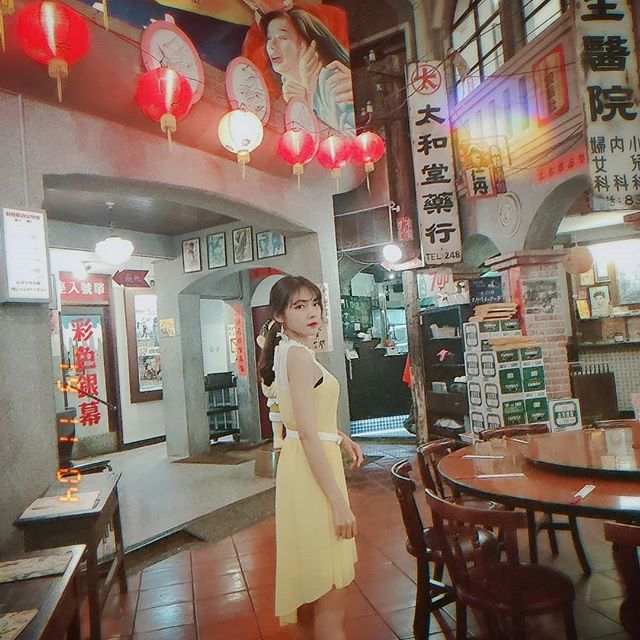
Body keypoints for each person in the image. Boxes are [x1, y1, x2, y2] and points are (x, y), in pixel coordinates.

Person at [258, 275, 363, 638]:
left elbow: (303, 420)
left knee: (310, 586)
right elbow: (306, 433)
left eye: (315, 304)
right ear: (280, 315)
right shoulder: (299, 357)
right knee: (330, 597)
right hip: (312, 470)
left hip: (301, 464)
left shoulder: (289, 351)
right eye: (299, 306)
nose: (311, 312)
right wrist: (339, 503)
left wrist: (340, 436)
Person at [261, 9, 356, 134]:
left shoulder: (333, 82)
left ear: (306, 44)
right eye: (269, 38)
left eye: (282, 38)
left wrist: (310, 101)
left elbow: (354, 137)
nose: (272, 45)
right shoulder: (289, 95)